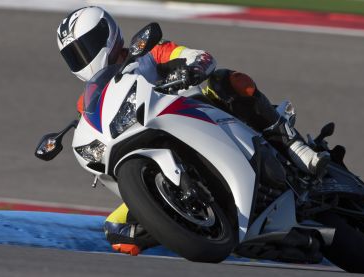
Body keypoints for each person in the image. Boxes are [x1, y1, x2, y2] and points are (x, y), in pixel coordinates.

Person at [56, 6, 330, 256]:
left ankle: (292, 144)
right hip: (148, 145)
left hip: (198, 115)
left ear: (108, 33)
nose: (84, 57)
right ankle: (209, 227)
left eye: (87, 46)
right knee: (118, 232)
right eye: (74, 55)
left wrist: (194, 66)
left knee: (224, 80)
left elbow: (196, 57)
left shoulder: (149, 54)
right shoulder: (87, 101)